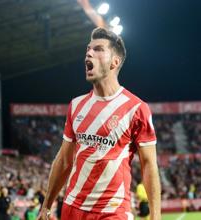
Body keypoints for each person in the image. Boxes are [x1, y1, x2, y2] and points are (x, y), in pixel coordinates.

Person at [37, 27, 161, 220]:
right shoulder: (76, 106)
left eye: (98, 49)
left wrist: (156, 215)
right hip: (72, 208)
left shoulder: (136, 109)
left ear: (115, 62)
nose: (89, 52)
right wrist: (46, 206)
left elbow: (149, 165)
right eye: (88, 49)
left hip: (112, 211)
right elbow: (63, 160)